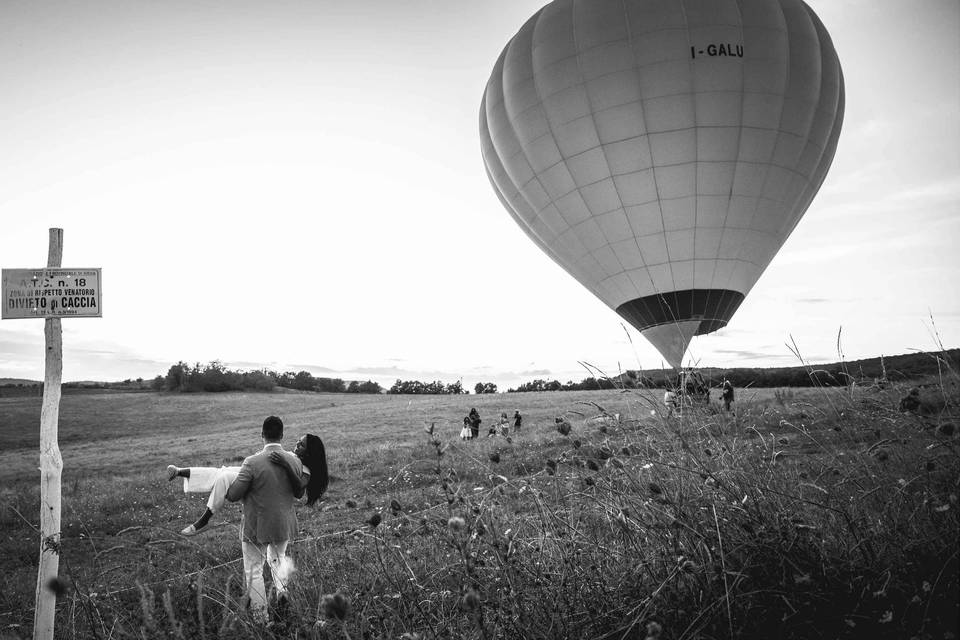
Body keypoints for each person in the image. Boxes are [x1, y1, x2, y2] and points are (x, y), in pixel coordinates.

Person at [167, 433, 328, 536]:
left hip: (260, 479)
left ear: (309, 452)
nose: (297, 445)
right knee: (221, 471)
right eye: (298, 441)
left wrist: (286, 464)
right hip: (257, 469)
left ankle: (204, 520)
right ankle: (179, 471)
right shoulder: (293, 456)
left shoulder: (305, 468)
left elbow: (299, 490)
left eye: (301, 445)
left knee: (224, 477)